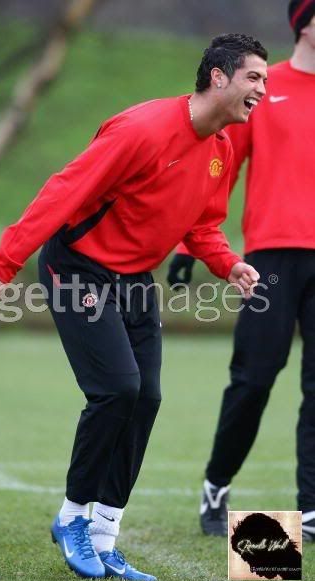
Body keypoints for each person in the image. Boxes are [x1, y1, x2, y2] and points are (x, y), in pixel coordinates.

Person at [0, 34, 267, 580]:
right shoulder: (143, 129)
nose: (261, 90)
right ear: (218, 77)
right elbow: (63, 191)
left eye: (266, 82)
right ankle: (71, 518)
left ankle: (106, 535)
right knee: (116, 390)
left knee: (146, 397)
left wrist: (229, 264)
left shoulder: (222, 151)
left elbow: (202, 225)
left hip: (132, 278)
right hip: (77, 265)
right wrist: (4, 263)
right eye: (253, 78)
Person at [168, 1, 315, 542]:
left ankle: (313, 506)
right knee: (254, 380)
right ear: (303, 22)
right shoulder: (260, 85)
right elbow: (220, 171)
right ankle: (216, 486)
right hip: (272, 259)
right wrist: (189, 246)